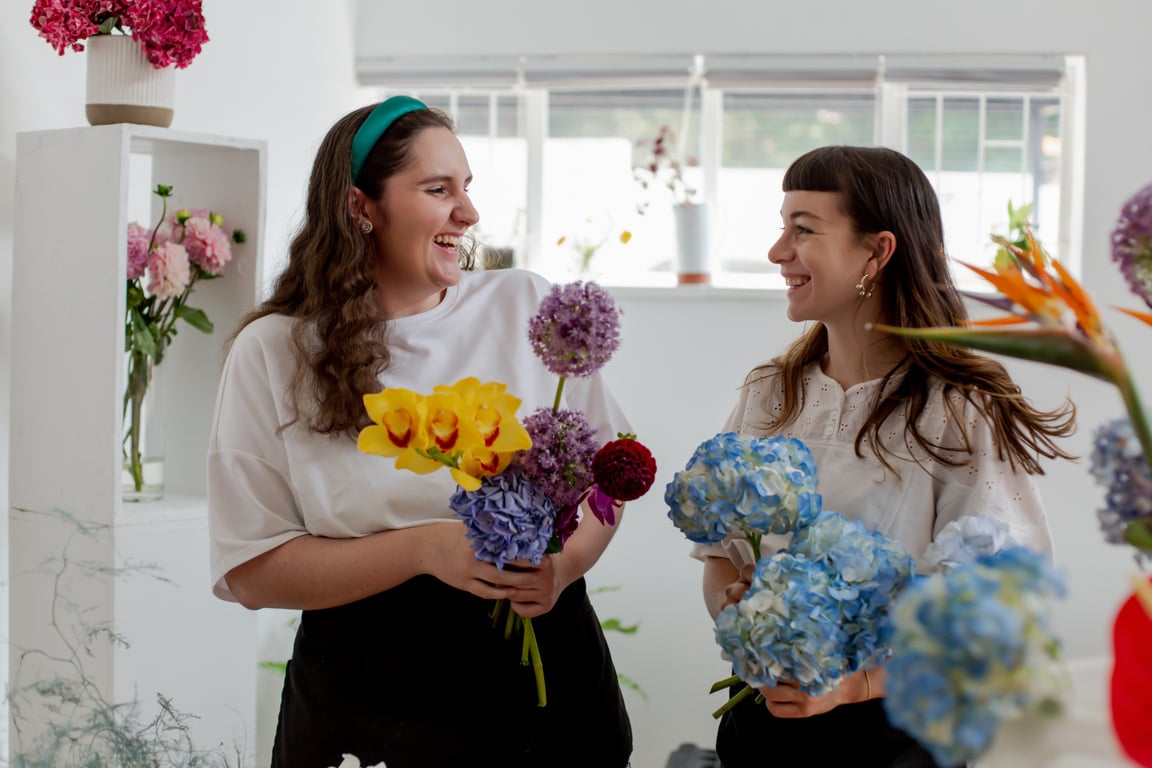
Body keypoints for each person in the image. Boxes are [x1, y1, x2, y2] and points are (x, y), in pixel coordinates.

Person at [207, 96, 633, 768]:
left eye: (467, 189)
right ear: (361, 207)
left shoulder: (522, 303)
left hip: (549, 694)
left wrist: (565, 565)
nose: (468, 214)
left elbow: (610, 480)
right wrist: (425, 549)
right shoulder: (273, 351)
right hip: (367, 706)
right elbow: (252, 571)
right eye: (438, 190)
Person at [693, 145, 1075, 768]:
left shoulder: (958, 410)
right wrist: (743, 619)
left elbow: (1000, 609)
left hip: (895, 738)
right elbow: (719, 559)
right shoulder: (770, 392)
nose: (777, 251)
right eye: (781, 225)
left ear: (877, 252)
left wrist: (855, 685)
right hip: (759, 729)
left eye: (803, 229)